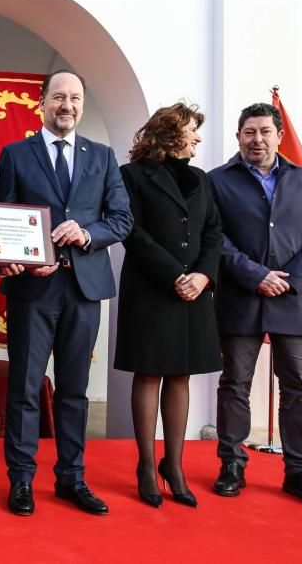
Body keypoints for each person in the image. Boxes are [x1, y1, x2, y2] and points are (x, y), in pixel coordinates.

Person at [0, 69, 132, 516]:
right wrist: (20, 257)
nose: (67, 105)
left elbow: (121, 219)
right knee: (25, 387)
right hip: (32, 289)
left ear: (82, 105)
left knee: (75, 390)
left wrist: (87, 232)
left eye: (75, 98)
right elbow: (2, 217)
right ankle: (21, 481)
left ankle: (71, 478)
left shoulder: (103, 156)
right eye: (58, 97)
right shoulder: (16, 154)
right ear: (42, 101)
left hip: (83, 288)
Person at [208, 102, 302, 510]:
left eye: (265, 131)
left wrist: (291, 278)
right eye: (249, 132)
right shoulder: (217, 181)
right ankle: (232, 463)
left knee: (298, 387)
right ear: (238, 136)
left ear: (279, 136)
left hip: (292, 299)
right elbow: (215, 238)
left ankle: (301, 471)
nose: (257, 139)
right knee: (235, 383)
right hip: (241, 296)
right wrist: (254, 275)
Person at [113, 102, 222, 509]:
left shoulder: (201, 179)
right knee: (149, 374)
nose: (197, 137)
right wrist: (174, 274)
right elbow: (132, 232)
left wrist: (203, 276)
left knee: (181, 376)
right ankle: (145, 466)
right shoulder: (132, 176)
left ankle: (173, 466)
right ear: (171, 132)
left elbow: (214, 232)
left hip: (194, 292)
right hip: (152, 289)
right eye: (192, 129)